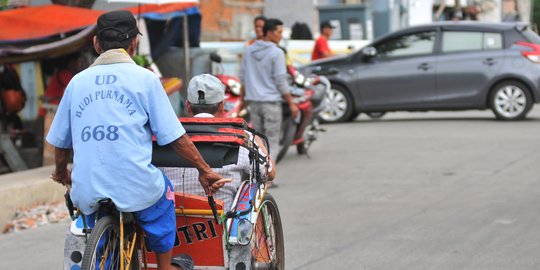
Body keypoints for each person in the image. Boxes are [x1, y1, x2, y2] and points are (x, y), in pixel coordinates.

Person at [46, 10, 227, 270]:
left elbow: (61, 143)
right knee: (164, 198)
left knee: (88, 217)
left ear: (97, 43)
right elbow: (175, 137)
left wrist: (62, 172)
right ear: (133, 44)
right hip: (136, 187)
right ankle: (164, 267)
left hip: (87, 188)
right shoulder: (145, 79)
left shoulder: (76, 83)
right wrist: (204, 169)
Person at [161, 74, 275, 211]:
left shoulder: (167, 136)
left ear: (188, 105)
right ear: (222, 105)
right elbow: (269, 173)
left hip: (173, 219)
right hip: (224, 219)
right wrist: (258, 143)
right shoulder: (240, 136)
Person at [239, 18, 298, 162]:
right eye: (279, 32)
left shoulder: (249, 50)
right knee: (271, 141)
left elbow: (243, 77)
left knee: (258, 141)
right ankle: (268, 179)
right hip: (271, 104)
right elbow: (280, 80)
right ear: (270, 33)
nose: (281, 35)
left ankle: (259, 178)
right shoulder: (277, 52)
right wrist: (291, 103)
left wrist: (243, 101)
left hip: (254, 103)